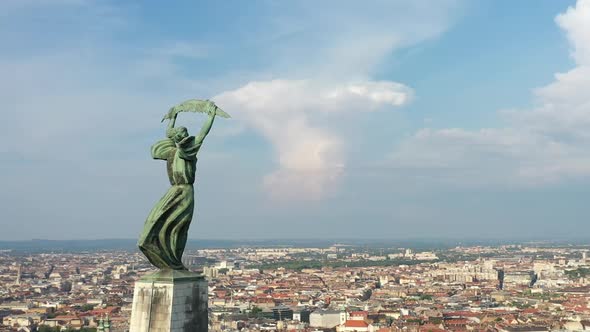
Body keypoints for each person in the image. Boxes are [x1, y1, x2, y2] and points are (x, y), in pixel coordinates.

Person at [138, 103, 216, 270]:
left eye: (184, 133)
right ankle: (165, 258)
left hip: (185, 191)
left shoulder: (188, 150)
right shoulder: (170, 151)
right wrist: (173, 118)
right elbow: (168, 135)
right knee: (154, 223)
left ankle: (174, 261)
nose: (183, 135)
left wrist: (211, 117)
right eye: (180, 134)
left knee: (178, 226)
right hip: (174, 191)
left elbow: (202, 135)